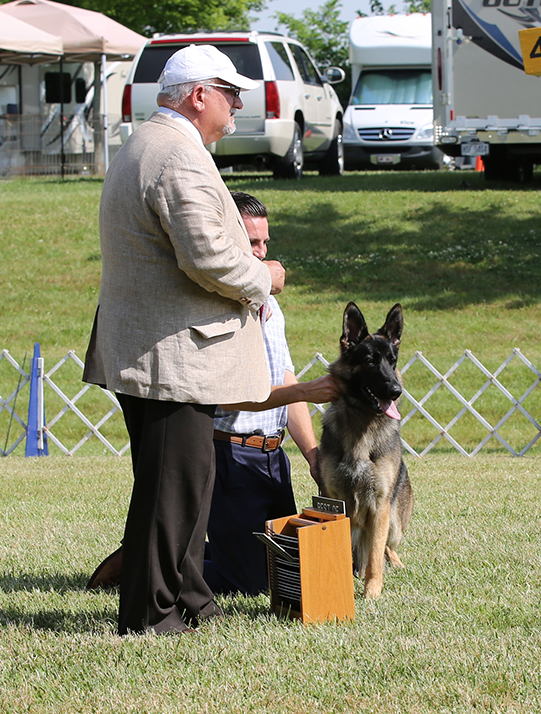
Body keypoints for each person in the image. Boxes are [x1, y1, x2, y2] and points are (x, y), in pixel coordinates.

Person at [83, 44, 286, 635]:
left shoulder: (147, 144)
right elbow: (209, 258)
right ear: (200, 95)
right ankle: (152, 616)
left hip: (152, 347)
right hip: (171, 355)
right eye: (231, 92)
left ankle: (192, 599)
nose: (238, 104)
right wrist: (265, 278)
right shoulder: (178, 155)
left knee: (186, 483)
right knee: (172, 490)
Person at [204, 191, 339, 596]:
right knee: (246, 585)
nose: (262, 253)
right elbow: (231, 397)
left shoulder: (271, 306)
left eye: (265, 242)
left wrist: (313, 456)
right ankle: (148, 560)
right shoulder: (217, 306)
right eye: (252, 243)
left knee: (286, 571)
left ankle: (189, 553)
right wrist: (306, 390)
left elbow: (285, 380)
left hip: (273, 458)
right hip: (229, 455)